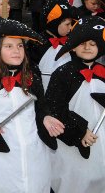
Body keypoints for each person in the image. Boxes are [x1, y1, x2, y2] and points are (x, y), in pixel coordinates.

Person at [0, 19, 63, 193]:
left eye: (20, 46)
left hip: (32, 149)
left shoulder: (32, 77)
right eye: (9, 46)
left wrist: (46, 117)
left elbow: (41, 106)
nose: (16, 51)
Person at [45, 16, 105, 192]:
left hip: (100, 139)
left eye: (92, 44)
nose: (87, 48)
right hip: (70, 140)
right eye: (82, 43)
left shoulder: (103, 74)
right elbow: (55, 107)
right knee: (73, 179)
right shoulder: (63, 74)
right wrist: (79, 131)